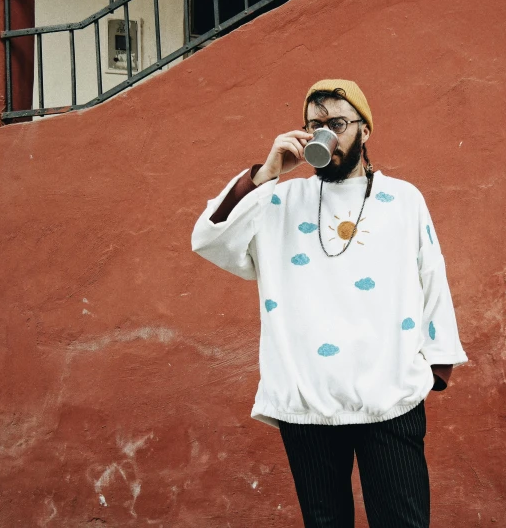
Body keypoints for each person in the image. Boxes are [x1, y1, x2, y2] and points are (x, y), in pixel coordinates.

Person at [191, 79, 468, 528]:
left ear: (365, 131)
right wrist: (266, 172)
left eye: (337, 123)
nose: (327, 134)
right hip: (307, 398)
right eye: (314, 124)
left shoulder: (403, 199)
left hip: (389, 395)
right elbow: (209, 239)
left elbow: (432, 277)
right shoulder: (279, 200)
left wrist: (436, 368)